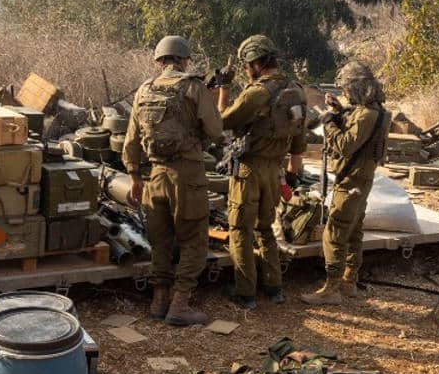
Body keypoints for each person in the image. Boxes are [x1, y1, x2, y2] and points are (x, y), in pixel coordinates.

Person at [122, 35, 223, 326]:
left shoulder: (144, 91)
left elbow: (131, 141)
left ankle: (159, 301)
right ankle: (180, 304)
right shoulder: (193, 86)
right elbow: (216, 130)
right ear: (184, 59)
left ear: (160, 60)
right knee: (193, 240)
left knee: (161, 241)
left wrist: (134, 178)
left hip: (155, 176)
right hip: (188, 175)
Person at [217, 35, 306, 309]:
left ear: (256, 63)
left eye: (247, 65)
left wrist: (223, 88)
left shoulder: (257, 93)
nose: (246, 70)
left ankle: (245, 292)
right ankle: (274, 287)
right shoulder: (297, 92)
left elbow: (223, 120)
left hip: (249, 170)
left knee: (240, 229)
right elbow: (299, 145)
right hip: (274, 171)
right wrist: (290, 176)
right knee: (266, 228)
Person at [302, 61, 388, 306]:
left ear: (358, 87)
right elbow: (357, 132)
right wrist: (338, 111)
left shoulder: (367, 115)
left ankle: (332, 288)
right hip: (361, 180)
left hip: (350, 181)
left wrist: (328, 122)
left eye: (347, 89)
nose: (345, 93)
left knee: (335, 232)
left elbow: (345, 145)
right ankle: (350, 281)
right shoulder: (376, 112)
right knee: (354, 231)